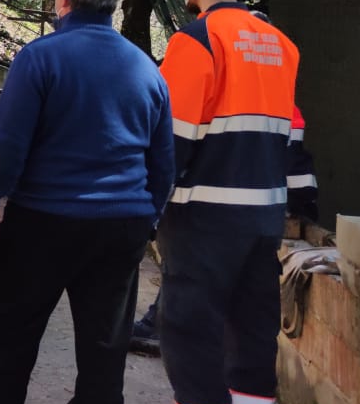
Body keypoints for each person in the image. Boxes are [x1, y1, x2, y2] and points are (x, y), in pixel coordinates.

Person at [0, 0, 174, 404]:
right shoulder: (147, 69)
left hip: (41, 225)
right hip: (120, 227)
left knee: (7, 349)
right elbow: (164, 163)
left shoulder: (39, 58)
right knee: (104, 358)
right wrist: (149, 221)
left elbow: (6, 148)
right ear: (115, 5)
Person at [157, 0, 300, 404]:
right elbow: (292, 136)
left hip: (203, 223)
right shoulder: (281, 45)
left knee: (193, 342)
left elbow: (171, 140)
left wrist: (146, 213)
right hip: (263, 221)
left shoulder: (195, 42)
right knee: (252, 340)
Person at [130, 103, 318, 355]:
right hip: (262, 212)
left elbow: (179, 151)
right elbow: (297, 164)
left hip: (217, 208)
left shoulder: (220, 93)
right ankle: (167, 325)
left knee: (191, 271)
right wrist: (304, 206)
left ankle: (164, 327)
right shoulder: (284, 103)